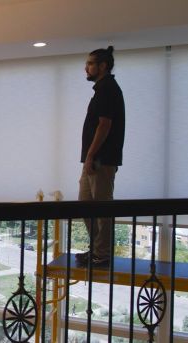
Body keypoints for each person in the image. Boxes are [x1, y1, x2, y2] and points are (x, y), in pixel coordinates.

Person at [75, 46, 125, 267]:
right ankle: (97, 249)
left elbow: (104, 126)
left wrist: (91, 155)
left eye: (90, 63)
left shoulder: (107, 89)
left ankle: (102, 254)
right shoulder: (102, 89)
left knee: (102, 207)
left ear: (103, 66)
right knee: (85, 204)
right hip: (94, 159)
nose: (86, 68)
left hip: (101, 160)